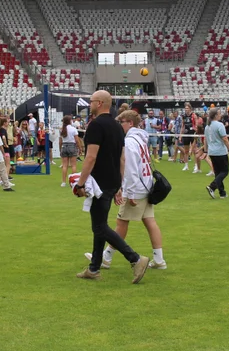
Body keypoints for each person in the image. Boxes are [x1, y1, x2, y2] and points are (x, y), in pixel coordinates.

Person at [74, 90, 150, 283]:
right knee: (99, 225)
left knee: (99, 226)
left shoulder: (95, 126)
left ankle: (135, 258)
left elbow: (90, 157)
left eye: (91, 101)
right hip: (112, 182)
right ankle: (94, 268)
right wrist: (119, 185)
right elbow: (122, 159)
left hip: (98, 184)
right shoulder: (117, 127)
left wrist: (80, 183)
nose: (89, 104)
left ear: (99, 103)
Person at [84, 110, 166, 271]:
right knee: (149, 221)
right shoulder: (141, 139)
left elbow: (130, 169)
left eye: (121, 122)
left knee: (120, 223)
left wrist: (129, 193)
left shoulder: (129, 142)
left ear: (129, 123)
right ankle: (159, 259)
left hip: (136, 188)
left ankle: (107, 258)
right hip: (146, 185)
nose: (119, 125)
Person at [204, 108, 229, 200]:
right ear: (216, 115)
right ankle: (212, 186)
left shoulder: (207, 126)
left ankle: (222, 193)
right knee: (225, 171)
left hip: (212, 152)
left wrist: (206, 150)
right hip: (220, 151)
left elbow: (206, 139)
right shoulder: (219, 125)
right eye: (219, 114)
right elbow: (224, 138)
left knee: (218, 173)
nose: (221, 115)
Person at [59, 114, 81, 186]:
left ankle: (63, 182)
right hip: (72, 146)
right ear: (69, 121)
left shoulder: (62, 129)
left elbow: (60, 141)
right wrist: (80, 148)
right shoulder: (73, 129)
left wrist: (60, 149)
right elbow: (77, 140)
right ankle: (73, 182)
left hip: (64, 146)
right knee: (73, 165)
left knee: (65, 166)